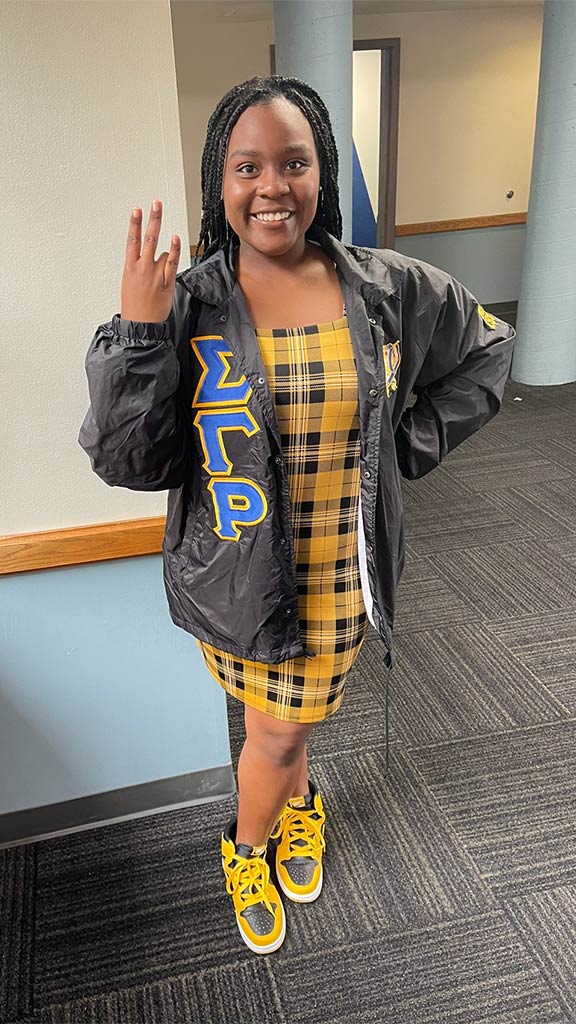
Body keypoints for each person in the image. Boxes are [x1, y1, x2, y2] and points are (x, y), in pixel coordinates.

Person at [79, 75, 516, 956]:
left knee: (283, 729)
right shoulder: (193, 302)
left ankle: (273, 821)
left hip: (338, 572)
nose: (271, 185)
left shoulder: (384, 286)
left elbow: (487, 350)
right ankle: (257, 838)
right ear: (221, 180)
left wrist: (402, 451)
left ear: (322, 173)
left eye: (294, 162)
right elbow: (129, 459)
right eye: (248, 166)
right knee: (279, 728)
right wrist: (137, 333)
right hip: (238, 573)